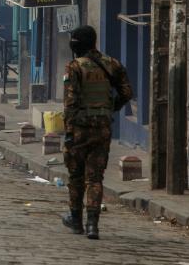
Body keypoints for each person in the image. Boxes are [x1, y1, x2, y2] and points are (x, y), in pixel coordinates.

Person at [61, 25, 133, 240]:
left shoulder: (74, 67)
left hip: (79, 130)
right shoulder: (112, 64)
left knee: (76, 177)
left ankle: (76, 221)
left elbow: (70, 103)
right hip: (102, 129)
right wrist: (110, 108)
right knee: (95, 178)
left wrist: (69, 133)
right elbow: (127, 93)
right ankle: (93, 225)